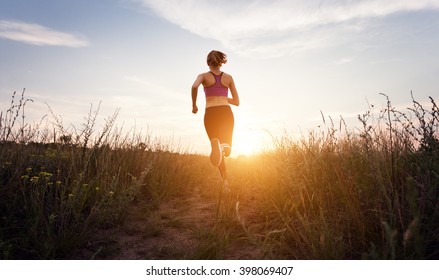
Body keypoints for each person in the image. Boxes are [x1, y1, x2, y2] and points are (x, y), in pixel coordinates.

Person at [191, 50, 240, 183]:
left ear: (207, 63)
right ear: (221, 62)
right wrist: (223, 97)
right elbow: (237, 102)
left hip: (210, 113)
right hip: (225, 112)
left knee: (216, 147)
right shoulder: (228, 77)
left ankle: (225, 182)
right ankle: (225, 146)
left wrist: (194, 105)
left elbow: (194, 86)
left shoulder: (203, 76)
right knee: (226, 149)